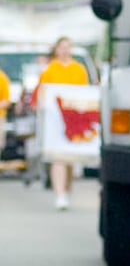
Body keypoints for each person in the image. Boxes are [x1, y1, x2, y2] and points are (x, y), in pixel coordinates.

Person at [36, 37, 90, 210]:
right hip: (55, 118)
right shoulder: (50, 69)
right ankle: (59, 194)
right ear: (56, 50)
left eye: (68, 47)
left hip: (73, 118)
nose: (65, 51)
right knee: (57, 157)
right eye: (62, 47)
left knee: (69, 159)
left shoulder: (79, 69)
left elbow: (85, 94)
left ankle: (66, 189)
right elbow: (43, 92)